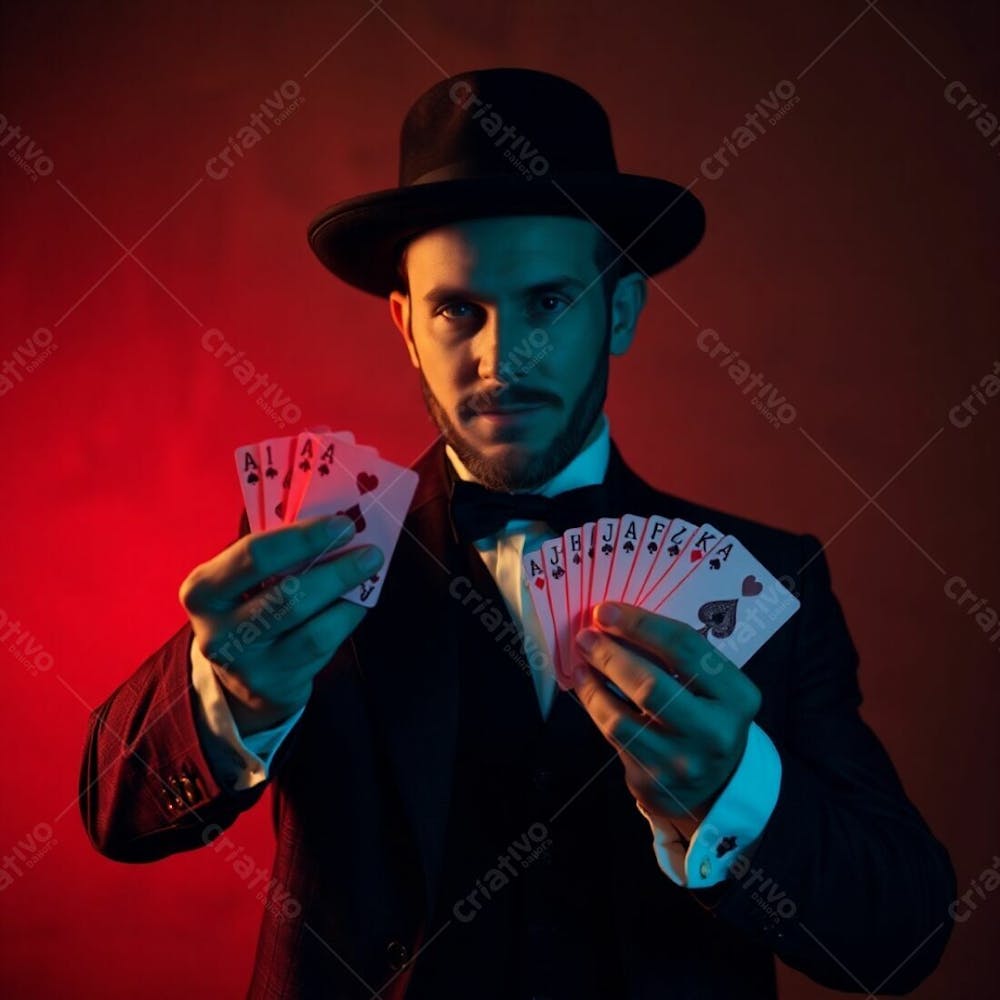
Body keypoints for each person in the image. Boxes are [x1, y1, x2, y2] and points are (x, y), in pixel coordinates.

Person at [79, 67, 956, 999]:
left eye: (550, 303)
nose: (504, 357)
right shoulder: (308, 565)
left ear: (618, 312)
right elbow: (115, 811)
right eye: (460, 310)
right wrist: (227, 695)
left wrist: (734, 791)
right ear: (407, 328)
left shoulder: (771, 581)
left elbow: (900, 937)